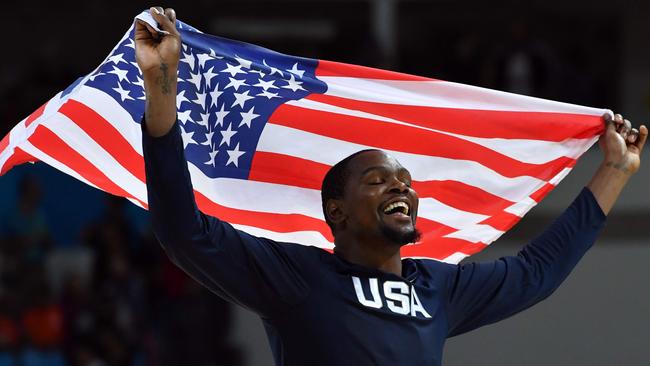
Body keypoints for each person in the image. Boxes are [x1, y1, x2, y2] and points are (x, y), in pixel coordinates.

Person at [135, 7, 647, 366]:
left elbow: (537, 272)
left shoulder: (439, 289)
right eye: (377, 181)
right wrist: (162, 89)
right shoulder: (299, 278)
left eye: (404, 181)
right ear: (335, 211)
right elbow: (185, 232)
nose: (399, 187)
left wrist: (614, 172)